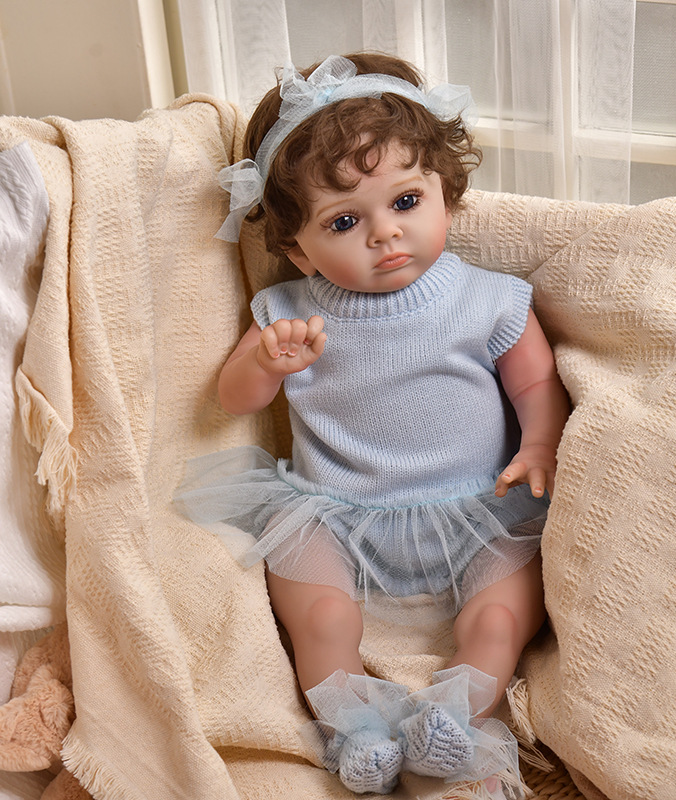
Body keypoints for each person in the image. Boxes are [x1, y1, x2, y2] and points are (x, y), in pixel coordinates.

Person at [177, 52, 570, 796]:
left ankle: (457, 716)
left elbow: (536, 382)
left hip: (479, 508)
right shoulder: (287, 311)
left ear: (447, 193)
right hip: (333, 513)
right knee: (322, 618)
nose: (386, 234)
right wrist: (265, 362)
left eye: (407, 201)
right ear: (298, 248)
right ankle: (353, 728)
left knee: (499, 617)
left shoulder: (489, 298)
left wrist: (542, 443)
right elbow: (234, 399)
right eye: (345, 221)